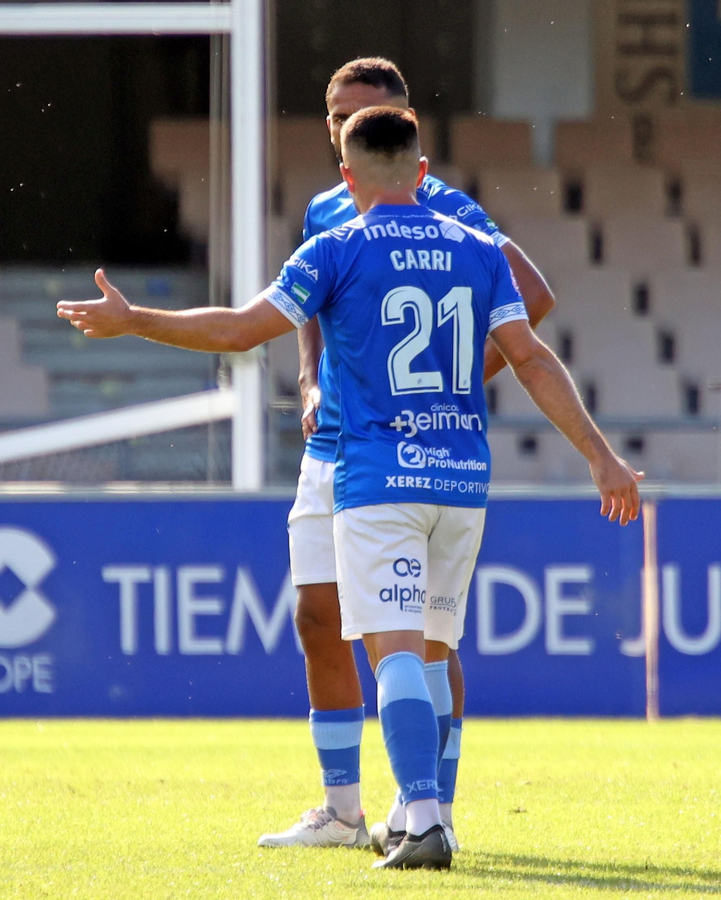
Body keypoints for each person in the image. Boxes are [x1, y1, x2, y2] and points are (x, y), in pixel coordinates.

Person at [58, 105, 640, 870]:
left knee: (393, 651)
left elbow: (238, 330)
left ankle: (424, 819)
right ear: (423, 172)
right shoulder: (476, 246)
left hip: (378, 476)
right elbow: (530, 356)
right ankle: (425, 814)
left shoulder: (337, 246)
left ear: (347, 176)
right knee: (433, 654)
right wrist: (601, 456)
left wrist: (137, 321)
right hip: (462, 478)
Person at [267, 57, 560, 851]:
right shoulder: (330, 206)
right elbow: (310, 305)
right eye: (333, 113)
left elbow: (534, 299)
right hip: (336, 445)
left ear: (404, 121)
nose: (342, 125)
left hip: (405, 452)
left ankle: (431, 805)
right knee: (318, 617)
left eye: (358, 113)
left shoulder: (450, 210)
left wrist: (451, 383)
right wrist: (306, 378)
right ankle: (341, 809)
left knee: (426, 639)